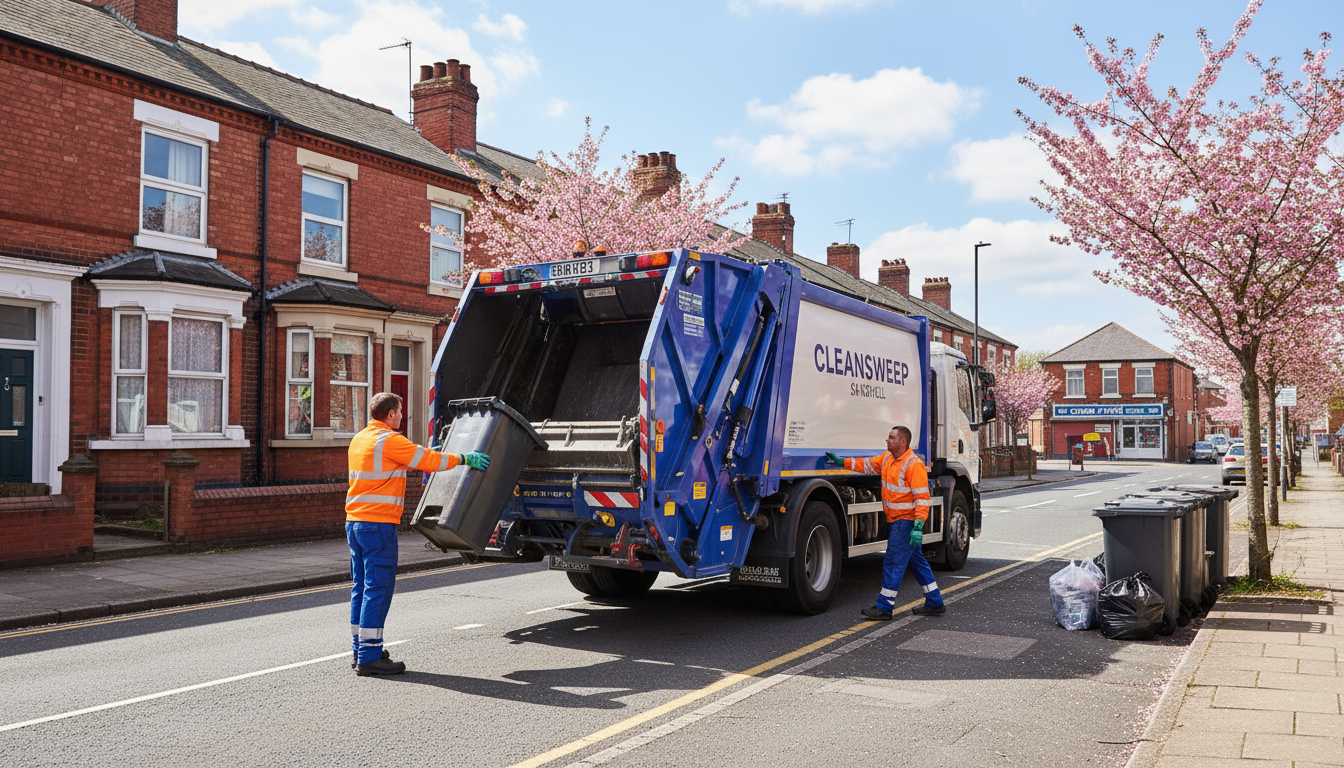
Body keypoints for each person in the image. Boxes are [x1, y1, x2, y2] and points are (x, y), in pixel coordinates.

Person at [346, 392, 491, 676]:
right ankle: (370, 657)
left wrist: (432, 450)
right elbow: (426, 461)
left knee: (361, 588)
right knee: (378, 589)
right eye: (400, 412)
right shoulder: (389, 440)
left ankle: (361, 649)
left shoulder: (361, 438)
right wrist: (465, 457)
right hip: (379, 525)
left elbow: (409, 457)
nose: (402, 416)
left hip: (355, 522)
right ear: (390, 414)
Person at [827, 425, 945, 620]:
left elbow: (922, 499)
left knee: (892, 563)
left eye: (891, 437)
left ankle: (884, 607)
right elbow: (864, 465)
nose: (887, 440)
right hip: (895, 521)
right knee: (916, 563)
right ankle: (935, 601)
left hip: (905, 523)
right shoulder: (887, 459)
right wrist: (841, 462)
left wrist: (917, 525)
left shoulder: (913, 464)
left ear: (903, 441)